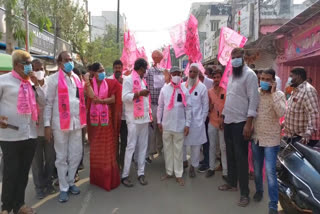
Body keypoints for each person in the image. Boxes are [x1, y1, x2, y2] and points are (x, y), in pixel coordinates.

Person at [0, 50, 43, 214]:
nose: (30, 67)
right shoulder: (3, 81)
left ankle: (19, 204)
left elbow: (43, 100)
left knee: (24, 172)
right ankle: (6, 207)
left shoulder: (31, 83)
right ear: (18, 65)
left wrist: (36, 84)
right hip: (10, 136)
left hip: (29, 134)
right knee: (11, 172)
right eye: (28, 64)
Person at [218, 48, 259, 207]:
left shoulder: (250, 75)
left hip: (241, 122)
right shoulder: (232, 76)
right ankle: (231, 183)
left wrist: (249, 124)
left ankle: (244, 194)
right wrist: (223, 116)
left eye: (237, 57)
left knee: (241, 158)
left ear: (244, 58)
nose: (235, 59)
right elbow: (230, 99)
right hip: (229, 121)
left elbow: (253, 101)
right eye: (232, 57)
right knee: (230, 154)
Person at [44, 51, 87, 203]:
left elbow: (79, 100)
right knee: (61, 157)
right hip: (59, 124)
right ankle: (63, 188)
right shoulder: (52, 79)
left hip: (75, 123)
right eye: (66, 60)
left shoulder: (76, 78)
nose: (70, 62)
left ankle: (70, 182)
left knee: (76, 154)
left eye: (71, 59)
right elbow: (48, 104)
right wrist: (47, 125)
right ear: (59, 63)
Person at [251, 69, 286, 214]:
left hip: (271, 139)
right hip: (256, 138)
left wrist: (272, 95)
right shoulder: (256, 93)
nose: (263, 81)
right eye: (262, 78)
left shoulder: (279, 95)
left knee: (271, 173)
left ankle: (273, 204)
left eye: (267, 79)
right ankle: (259, 190)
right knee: (257, 169)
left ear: (273, 81)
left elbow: (281, 113)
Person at [85, 62, 120, 191]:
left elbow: (113, 99)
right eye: (99, 71)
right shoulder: (89, 84)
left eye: (103, 70)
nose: (102, 73)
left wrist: (102, 101)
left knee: (107, 150)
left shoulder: (110, 83)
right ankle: (98, 179)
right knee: (96, 150)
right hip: (94, 123)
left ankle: (108, 178)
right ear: (93, 73)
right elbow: (91, 96)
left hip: (106, 122)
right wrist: (87, 80)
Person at [157, 66, 192, 186]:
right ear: (170, 75)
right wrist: (159, 121)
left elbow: (188, 108)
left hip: (179, 125)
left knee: (178, 151)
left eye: (178, 74)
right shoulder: (164, 89)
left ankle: (178, 174)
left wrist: (187, 124)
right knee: (167, 150)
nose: (176, 76)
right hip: (166, 124)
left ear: (181, 75)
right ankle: (168, 172)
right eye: (174, 73)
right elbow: (160, 106)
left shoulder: (184, 89)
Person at [121, 58, 152, 187]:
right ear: (141, 68)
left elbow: (145, 101)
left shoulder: (142, 81)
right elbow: (124, 97)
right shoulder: (128, 80)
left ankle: (141, 173)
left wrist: (149, 115)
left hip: (144, 119)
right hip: (133, 120)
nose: (145, 72)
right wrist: (139, 93)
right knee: (131, 147)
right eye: (145, 69)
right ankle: (125, 175)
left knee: (143, 147)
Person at [31, 59, 56, 200]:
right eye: (36, 69)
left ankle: (48, 183)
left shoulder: (49, 84)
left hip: (49, 128)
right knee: (37, 162)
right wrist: (34, 84)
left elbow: (49, 103)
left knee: (51, 159)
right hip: (34, 130)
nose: (39, 71)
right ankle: (39, 187)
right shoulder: (27, 86)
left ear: (45, 69)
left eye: (41, 68)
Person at [182, 63, 209, 178]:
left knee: (196, 147)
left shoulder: (202, 87)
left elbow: (205, 106)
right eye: (190, 72)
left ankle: (193, 166)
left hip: (197, 122)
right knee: (182, 143)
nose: (192, 74)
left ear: (198, 74)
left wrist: (201, 121)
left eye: (194, 72)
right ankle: (184, 161)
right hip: (183, 121)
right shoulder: (182, 86)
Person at [284, 67, 319, 147]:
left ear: (298, 76)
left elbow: (314, 113)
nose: (290, 79)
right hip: (293, 136)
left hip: (303, 138)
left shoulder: (308, 90)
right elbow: (292, 110)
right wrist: (283, 124)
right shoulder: (295, 90)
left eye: (291, 76)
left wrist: (308, 133)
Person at [145, 50, 166, 163]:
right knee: (151, 130)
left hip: (162, 106)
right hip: (152, 104)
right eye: (155, 56)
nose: (157, 57)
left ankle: (160, 149)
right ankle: (150, 152)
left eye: (159, 56)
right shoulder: (148, 72)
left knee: (161, 129)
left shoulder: (164, 71)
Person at [207, 69, 227, 179]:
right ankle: (211, 168)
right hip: (212, 122)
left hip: (223, 123)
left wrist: (222, 119)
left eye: (218, 77)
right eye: (214, 78)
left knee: (223, 147)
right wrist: (209, 107)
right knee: (212, 146)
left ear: (221, 78)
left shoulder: (225, 91)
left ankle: (225, 171)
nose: (216, 80)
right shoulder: (209, 91)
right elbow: (208, 106)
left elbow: (228, 106)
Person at [109, 60, 127, 169]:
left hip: (124, 116)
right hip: (113, 117)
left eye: (119, 67)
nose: (118, 70)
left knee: (124, 141)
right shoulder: (109, 80)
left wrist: (122, 83)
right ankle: (114, 161)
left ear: (122, 68)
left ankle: (122, 161)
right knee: (114, 141)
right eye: (116, 67)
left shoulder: (127, 80)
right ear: (113, 68)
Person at [197, 67, 214, 172]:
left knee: (207, 141)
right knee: (203, 141)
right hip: (201, 116)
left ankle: (208, 163)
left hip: (210, 116)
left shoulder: (210, 82)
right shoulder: (196, 84)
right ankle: (205, 159)